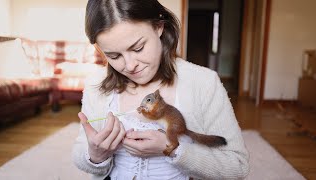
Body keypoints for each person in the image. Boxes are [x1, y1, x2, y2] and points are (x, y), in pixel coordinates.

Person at [72, 0, 249, 179]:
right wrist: (96, 156)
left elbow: (237, 167)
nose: (130, 65)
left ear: (159, 27)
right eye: (114, 55)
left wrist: (173, 150)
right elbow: (80, 154)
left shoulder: (203, 83)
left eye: (138, 48)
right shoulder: (96, 85)